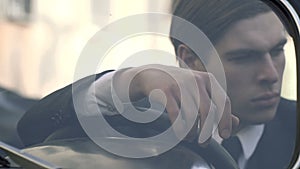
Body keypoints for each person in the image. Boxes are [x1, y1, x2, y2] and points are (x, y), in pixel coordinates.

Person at [17, 0, 297, 169]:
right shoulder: (139, 124)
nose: (271, 74)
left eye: (277, 50)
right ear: (190, 58)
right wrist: (129, 81)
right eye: (244, 57)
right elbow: (32, 129)